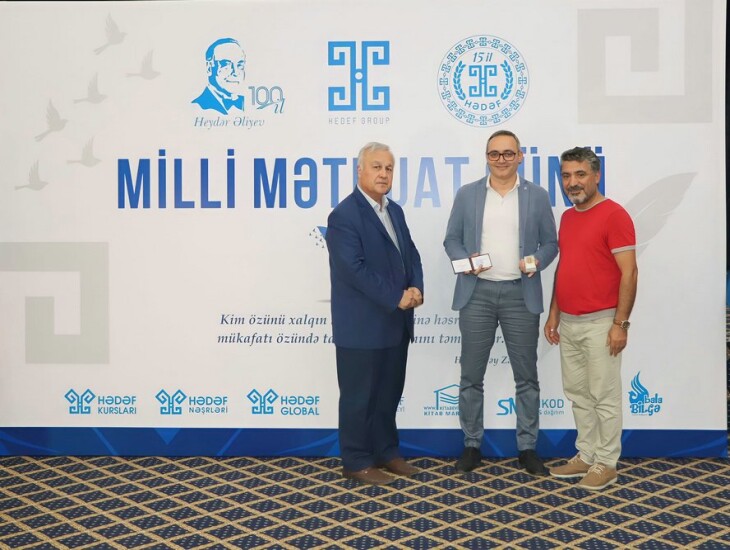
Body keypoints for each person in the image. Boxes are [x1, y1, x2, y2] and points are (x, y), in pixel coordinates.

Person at [444, 130, 558, 476]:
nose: (501, 160)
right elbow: (451, 240)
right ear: (487, 157)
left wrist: (537, 261)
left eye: (509, 153)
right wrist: (466, 259)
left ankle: (527, 448)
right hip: (476, 294)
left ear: (520, 156)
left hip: (520, 295)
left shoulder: (538, 196)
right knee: (470, 376)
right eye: (494, 154)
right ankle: (471, 445)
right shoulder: (468, 194)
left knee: (527, 377)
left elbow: (551, 244)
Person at [325, 142, 424, 485]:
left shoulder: (394, 211)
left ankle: (386, 452)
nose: (383, 174)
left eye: (389, 168)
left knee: (388, 395)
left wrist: (416, 288)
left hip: (395, 323)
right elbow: (354, 270)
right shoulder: (344, 215)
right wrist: (397, 296)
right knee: (359, 398)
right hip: (362, 326)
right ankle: (356, 460)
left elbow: (410, 254)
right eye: (376, 167)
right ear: (360, 171)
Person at [544, 146, 638, 491]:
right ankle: (586, 455)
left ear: (596, 176)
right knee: (578, 393)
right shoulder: (568, 218)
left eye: (580, 174)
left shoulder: (614, 215)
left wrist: (620, 324)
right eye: (567, 175)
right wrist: (554, 314)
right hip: (569, 322)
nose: (573, 182)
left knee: (604, 395)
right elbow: (565, 269)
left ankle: (607, 463)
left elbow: (629, 273)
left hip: (602, 322)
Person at [192, 38, 246, 115]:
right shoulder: (197, 107)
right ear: (209, 68)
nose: (236, 72)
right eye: (226, 64)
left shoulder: (247, 103)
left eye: (240, 65)